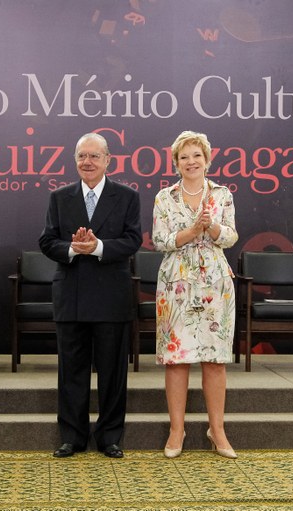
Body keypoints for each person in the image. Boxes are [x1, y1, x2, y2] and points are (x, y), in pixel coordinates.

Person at [39, 132, 142, 459]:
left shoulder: (126, 196)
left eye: (94, 156)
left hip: (111, 297)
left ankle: (110, 436)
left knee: (113, 373)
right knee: (72, 372)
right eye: (82, 156)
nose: (88, 162)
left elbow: (133, 240)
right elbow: (47, 241)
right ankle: (72, 436)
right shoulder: (60, 197)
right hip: (71, 296)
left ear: (108, 160)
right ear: (75, 160)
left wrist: (97, 247)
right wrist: (72, 247)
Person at [151, 130, 239, 459]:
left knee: (214, 361)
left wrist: (212, 228)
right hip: (176, 285)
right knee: (177, 361)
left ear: (207, 160)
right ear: (176, 163)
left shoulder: (222, 194)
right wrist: (191, 231)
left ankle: (217, 431)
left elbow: (230, 235)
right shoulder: (165, 197)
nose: (191, 162)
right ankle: (177, 430)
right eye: (184, 157)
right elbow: (160, 239)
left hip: (215, 286)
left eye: (197, 156)